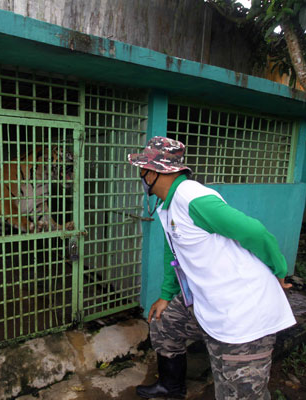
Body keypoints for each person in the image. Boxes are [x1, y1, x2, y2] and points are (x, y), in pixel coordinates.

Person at [127, 137, 296, 400]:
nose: (140, 175)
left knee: (238, 393)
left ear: (153, 172)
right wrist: (166, 294)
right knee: (164, 322)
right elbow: (174, 253)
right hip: (209, 299)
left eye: (141, 169)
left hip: (243, 313)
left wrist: (279, 270)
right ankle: (171, 388)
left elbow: (255, 231)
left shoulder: (193, 198)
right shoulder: (168, 206)